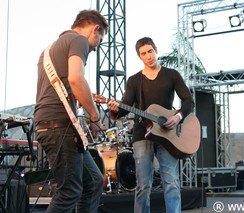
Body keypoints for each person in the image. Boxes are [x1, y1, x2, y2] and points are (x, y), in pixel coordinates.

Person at [107, 37, 194, 213]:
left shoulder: (172, 75)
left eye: (150, 51)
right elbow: (126, 105)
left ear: (156, 50)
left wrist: (178, 116)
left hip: (168, 135)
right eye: (143, 53)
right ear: (139, 57)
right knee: (143, 185)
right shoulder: (134, 81)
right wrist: (115, 109)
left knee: (171, 182)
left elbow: (188, 101)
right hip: (142, 134)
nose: (148, 56)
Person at [34, 9, 108, 212]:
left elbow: (63, 87)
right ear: (95, 28)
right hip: (59, 126)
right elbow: (76, 79)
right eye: (99, 41)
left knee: (93, 181)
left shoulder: (49, 50)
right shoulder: (79, 41)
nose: (94, 49)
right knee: (70, 191)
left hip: (51, 124)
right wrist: (94, 117)